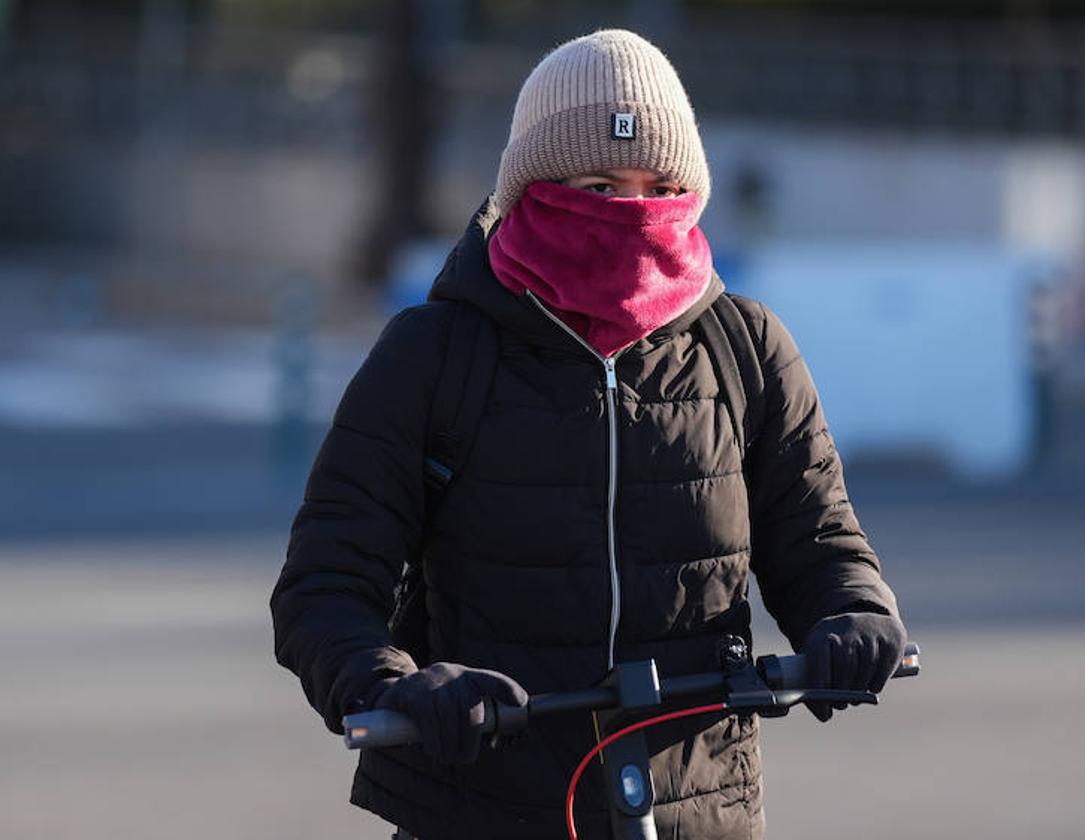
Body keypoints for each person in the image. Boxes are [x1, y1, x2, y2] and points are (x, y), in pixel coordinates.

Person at [271, 28, 905, 840]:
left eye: (656, 188)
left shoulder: (744, 350)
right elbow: (324, 583)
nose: (630, 216)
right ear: (532, 188)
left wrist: (852, 612)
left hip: (693, 810)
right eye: (599, 185)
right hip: (482, 807)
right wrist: (391, 684)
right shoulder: (435, 355)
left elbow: (819, 543)